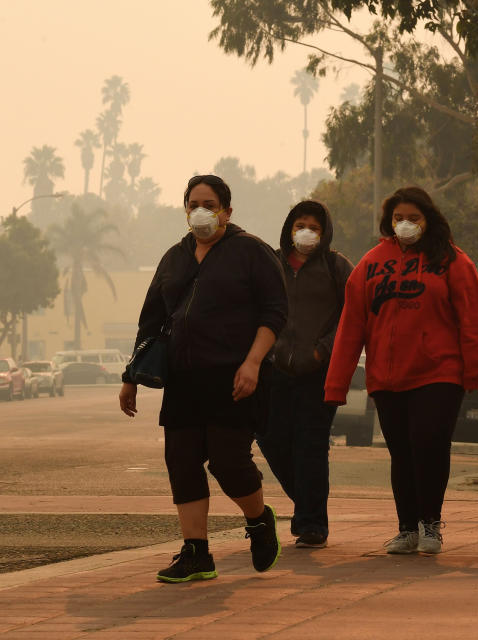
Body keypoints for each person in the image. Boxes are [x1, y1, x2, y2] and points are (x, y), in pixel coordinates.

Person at [119, 175, 287, 583]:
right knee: (181, 461)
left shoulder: (252, 252)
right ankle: (196, 553)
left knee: (229, 463)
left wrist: (252, 364)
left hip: (235, 378)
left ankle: (259, 519)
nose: (201, 211)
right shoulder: (174, 257)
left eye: (209, 204)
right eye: (193, 202)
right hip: (183, 381)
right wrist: (131, 377)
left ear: (228, 211)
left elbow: (274, 314)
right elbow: (152, 322)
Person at [323, 186, 478, 555]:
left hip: (439, 373)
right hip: (387, 376)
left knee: (429, 443)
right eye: (399, 218)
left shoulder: (453, 262)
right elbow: (351, 327)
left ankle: (431, 524)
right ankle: (407, 528)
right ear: (388, 222)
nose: (405, 224)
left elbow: (473, 320)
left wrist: (477, 373)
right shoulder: (370, 264)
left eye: (413, 218)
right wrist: (336, 384)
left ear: (428, 220)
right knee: (402, 452)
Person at [258, 200, 353, 549]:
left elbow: (352, 313)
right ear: (289, 227)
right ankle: (307, 505)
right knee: (270, 437)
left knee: (310, 446)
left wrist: (322, 350)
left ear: (324, 231)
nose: (306, 232)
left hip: (318, 371)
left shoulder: (336, 266)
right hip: (275, 367)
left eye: (314, 226)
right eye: (300, 225)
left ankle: (312, 524)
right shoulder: (272, 263)